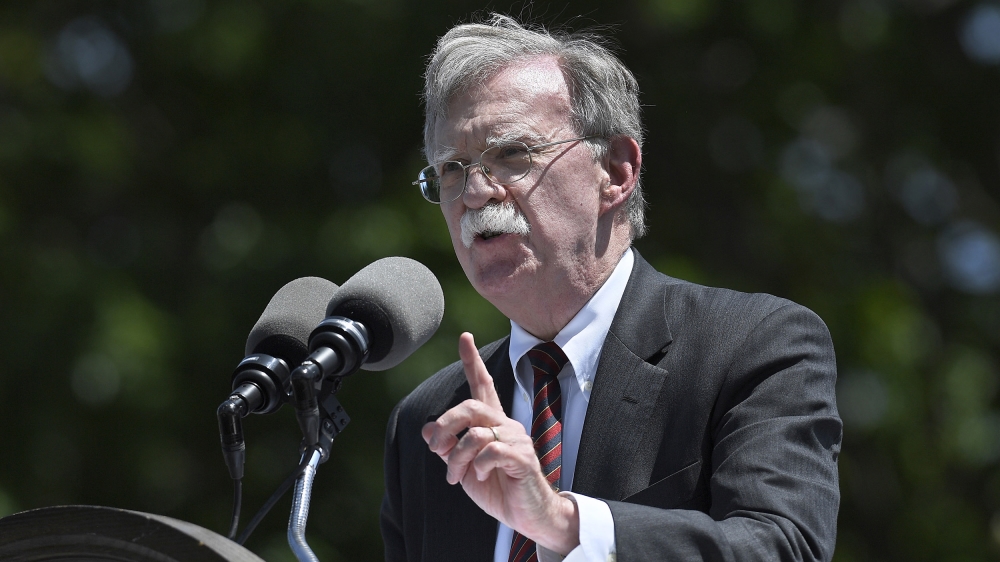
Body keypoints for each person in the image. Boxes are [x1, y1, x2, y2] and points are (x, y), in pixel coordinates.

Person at [381, 14, 841, 562]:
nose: (475, 194)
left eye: (511, 154)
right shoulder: (429, 421)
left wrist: (563, 524)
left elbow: (783, 549)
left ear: (617, 172)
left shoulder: (754, 347)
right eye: (452, 168)